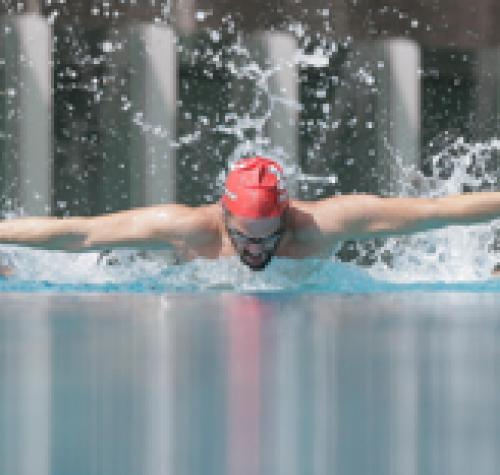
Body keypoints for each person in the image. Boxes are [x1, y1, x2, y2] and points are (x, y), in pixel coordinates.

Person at [1, 155, 500, 272]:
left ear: (288, 214)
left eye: (268, 236)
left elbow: (443, 211)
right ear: (224, 217)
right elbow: (79, 235)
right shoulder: (190, 230)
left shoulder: (324, 223)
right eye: (246, 238)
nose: (256, 249)